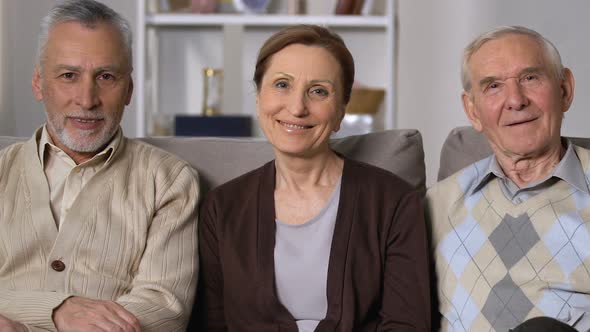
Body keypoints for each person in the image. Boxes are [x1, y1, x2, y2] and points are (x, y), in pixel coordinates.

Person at [195, 24, 430, 331]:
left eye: (318, 91)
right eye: (281, 84)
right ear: (258, 97)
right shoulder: (221, 208)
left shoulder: (394, 203)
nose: (296, 107)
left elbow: (407, 325)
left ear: (341, 110)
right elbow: (213, 326)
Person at [0, 1, 199, 331]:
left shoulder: (169, 181)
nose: (87, 98)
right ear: (38, 83)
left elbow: (164, 308)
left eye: (106, 76)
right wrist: (58, 309)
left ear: (129, 89)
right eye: (68, 76)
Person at [426, 26, 589, 331]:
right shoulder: (434, 206)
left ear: (564, 90)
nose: (515, 100)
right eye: (493, 86)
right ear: (472, 110)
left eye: (530, 78)